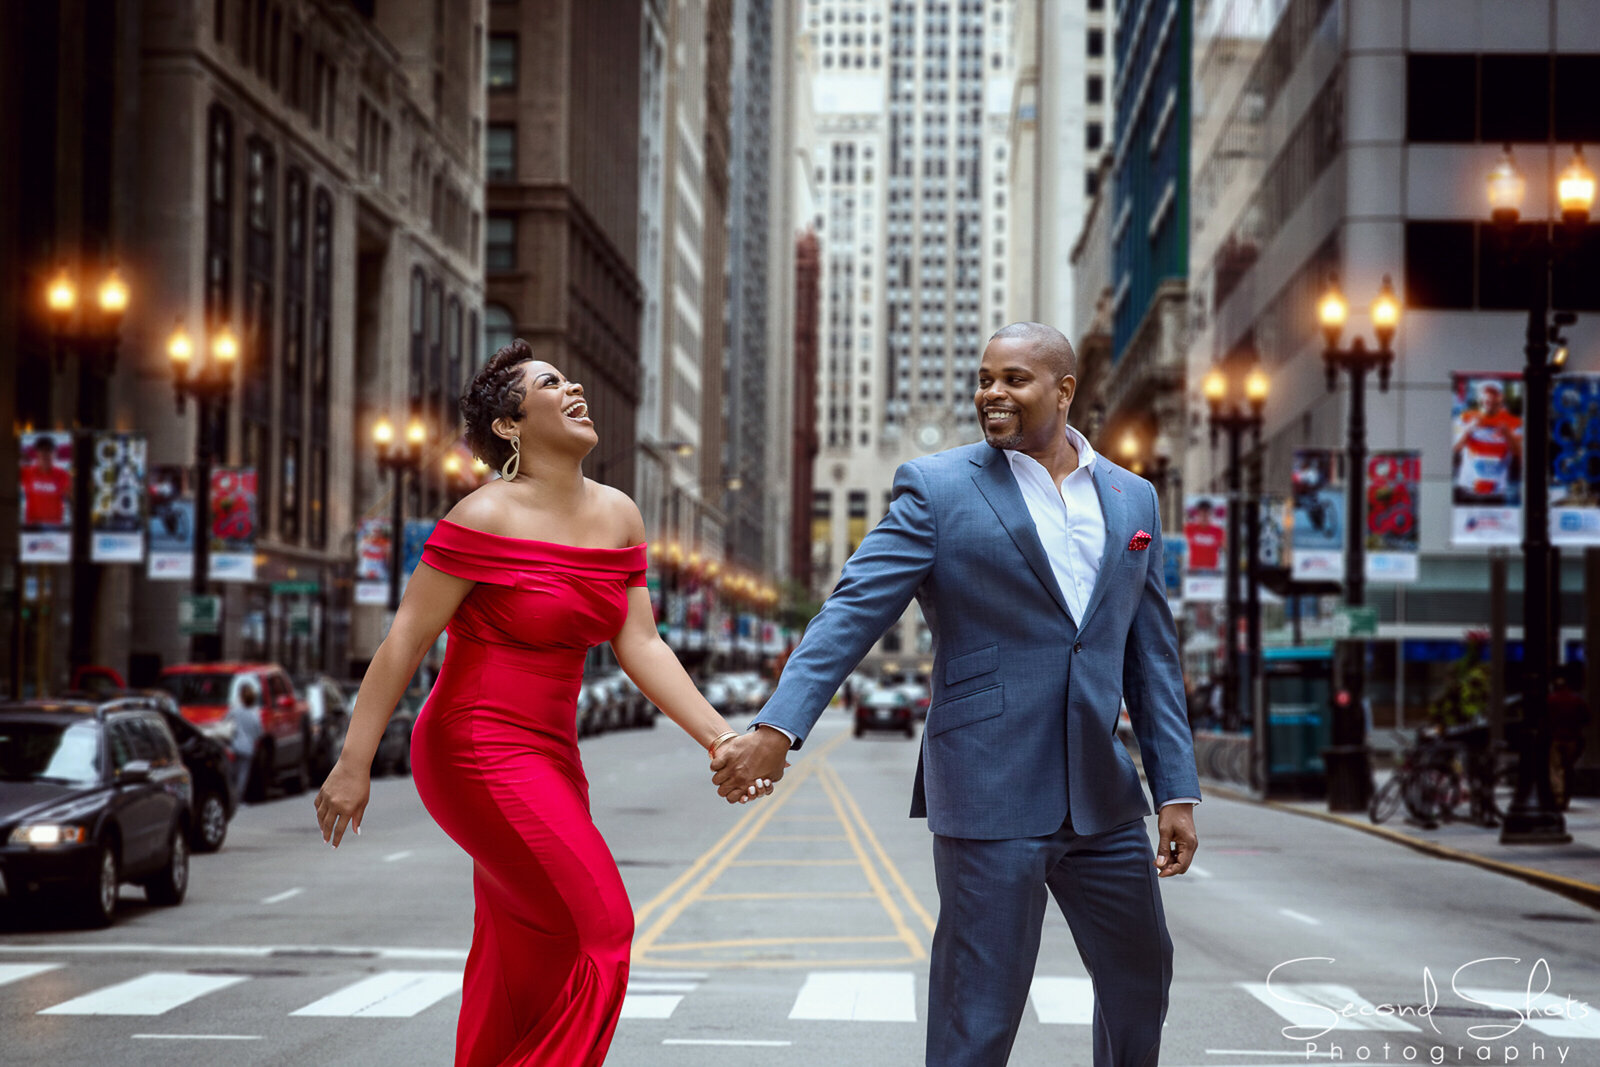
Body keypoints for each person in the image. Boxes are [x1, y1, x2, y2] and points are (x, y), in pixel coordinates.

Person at [713, 322, 1200, 1066]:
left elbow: (1152, 658)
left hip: (1103, 795)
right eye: (984, 378)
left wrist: (1176, 790)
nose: (991, 393)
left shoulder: (1133, 499)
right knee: (979, 1012)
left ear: (1064, 390)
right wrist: (779, 726)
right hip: (989, 785)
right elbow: (852, 611)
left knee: (1142, 979)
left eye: (1014, 379)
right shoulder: (938, 487)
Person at [313, 340, 771, 1067]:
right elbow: (404, 640)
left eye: (571, 378)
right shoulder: (484, 514)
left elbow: (642, 645)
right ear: (509, 426)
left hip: (553, 752)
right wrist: (353, 760)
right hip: (474, 747)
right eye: (551, 383)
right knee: (604, 928)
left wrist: (720, 738)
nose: (575, 387)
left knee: (529, 949)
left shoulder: (619, 513)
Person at [1453, 379, 1522, 503]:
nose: (1489, 397)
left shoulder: (1515, 422)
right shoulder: (1465, 417)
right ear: (1480, 397)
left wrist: (1507, 434)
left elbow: (1519, 452)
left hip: (1498, 490)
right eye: (1485, 393)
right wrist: (1469, 429)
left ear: (1501, 397)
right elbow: (1455, 447)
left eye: (1493, 393)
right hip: (1468, 488)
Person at [1548, 672, 1591, 811]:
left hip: (1556, 738)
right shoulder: (1576, 700)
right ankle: (1566, 797)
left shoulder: (1551, 700)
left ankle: (1558, 797)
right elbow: (1587, 718)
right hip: (1573, 738)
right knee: (1568, 768)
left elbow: (1544, 719)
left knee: (1556, 769)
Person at [20, 434, 73, 528]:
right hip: (33, 527)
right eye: (41, 450)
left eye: (48, 450)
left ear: (55, 454)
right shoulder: (26, 472)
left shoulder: (63, 474)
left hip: (55, 528)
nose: (44, 454)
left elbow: (71, 496)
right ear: (37, 453)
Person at [226, 678, 263, 802]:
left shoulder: (235, 711)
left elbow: (225, 722)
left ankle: (231, 797)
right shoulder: (254, 714)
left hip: (235, 746)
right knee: (243, 774)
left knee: (233, 773)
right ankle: (238, 799)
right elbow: (259, 732)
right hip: (248, 748)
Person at [1183, 497, 1224, 571]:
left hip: (1212, 571)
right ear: (1198, 514)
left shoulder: (1218, 531)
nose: (1204, 517)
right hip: (1194, 571)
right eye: (1202, 514)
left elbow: (1226, 548)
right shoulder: (1189, 529)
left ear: (1211, 514)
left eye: (1207, 513)